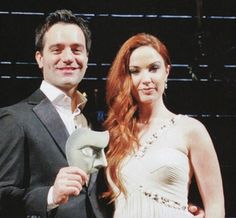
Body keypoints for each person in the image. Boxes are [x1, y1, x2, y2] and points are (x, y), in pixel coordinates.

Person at [103, 33, 225, 217]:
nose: (146, 79)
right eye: (135, 71)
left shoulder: (191, 130)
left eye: (153, 68)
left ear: (167, 71)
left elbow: (215, 206)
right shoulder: (117, 134)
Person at [0, 9, 106, 218]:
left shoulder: (91, 121)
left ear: (86, 57)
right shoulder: (15, 119)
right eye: (57, 50)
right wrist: (50, 195)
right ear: (40, 58)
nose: (68, 58)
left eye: (77, 50)